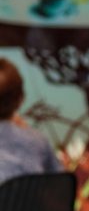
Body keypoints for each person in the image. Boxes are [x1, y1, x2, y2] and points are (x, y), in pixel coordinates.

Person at [0, 58, 63, 186]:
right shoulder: (38, 141)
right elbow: (61, 186)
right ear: (21, 99)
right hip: (29, 200)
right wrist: (27, 133)